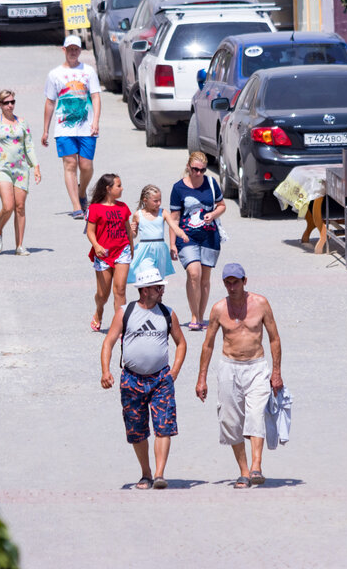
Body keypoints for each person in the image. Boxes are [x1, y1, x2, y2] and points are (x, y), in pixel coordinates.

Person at [100, 260, 187, 490]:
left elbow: (181, 343)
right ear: (145, 290)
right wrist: (105, 371)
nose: (162, 290)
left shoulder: (168, 313)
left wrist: (174, 371)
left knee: (164, 426)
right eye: (158, 287)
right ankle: (146, 473)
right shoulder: (125, 312)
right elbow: (108, 342)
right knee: (136, 430)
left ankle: (159, 473)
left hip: (161, 380)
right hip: (131, 379)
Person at [195, 263, 283, 489]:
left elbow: (274, 338)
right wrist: (201, 378)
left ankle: (256, 466)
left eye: (235, 282)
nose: (231, 286)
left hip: (256, 366)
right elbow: (208, 345)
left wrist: (276, 372)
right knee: (230, 421)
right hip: (229, 366)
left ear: (245, 281)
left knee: (255, 415)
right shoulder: (218, 309)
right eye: (227, 282)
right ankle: (243, 471)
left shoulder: (261, 304)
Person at [42, 34, 101, 219]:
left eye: (76, 49)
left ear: (80, 50)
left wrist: (96, 121)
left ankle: (82, 192)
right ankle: (76, 205)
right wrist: (45, 129)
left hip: (86, 127)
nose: (73, 52)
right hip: (64, 127)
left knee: (86, 166)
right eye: (70, 49)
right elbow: (50, 102)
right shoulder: (55, 74)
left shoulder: (88, 71)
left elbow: (96, 97)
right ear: (64, 50)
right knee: (70, 164)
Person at [166, 151, 225, 331]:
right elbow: (174, 218)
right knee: (194, 273)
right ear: (188, 167)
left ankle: (200, 315)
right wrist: (173, 243)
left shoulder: (211, 183)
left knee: (205, 279)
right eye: (195, 169)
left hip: (209, 235)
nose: (198, 173)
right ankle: (194, 315)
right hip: (187, 236)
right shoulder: (178, 188)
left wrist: (213, 214)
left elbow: (222, 206)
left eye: (202, 170)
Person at [0, 89, 41, 256]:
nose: (10, 105)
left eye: (12, 102)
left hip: (21, 168)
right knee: (8, 206)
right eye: (6, 103)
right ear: (0, 105)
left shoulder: (22, 122)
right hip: (1, 167)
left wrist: (36, 166)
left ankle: (20, 245)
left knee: (20, 207)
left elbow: (29, 146)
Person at [86, 173, 133, 332]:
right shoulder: (95, 208)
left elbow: (128, 231)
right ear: (108, 189)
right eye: (118, 186)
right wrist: (96, 245)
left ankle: (120, 325)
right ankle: (99, 311)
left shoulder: (123, 207)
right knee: (102, 295)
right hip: (103, 254)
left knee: (120, 289)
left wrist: (131, 248)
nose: (122, 188)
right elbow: (90, 231)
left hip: (122, 250)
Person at [129, 184, 183, 285]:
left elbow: (174, 226)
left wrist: (182, 235)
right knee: (148, 279)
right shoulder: (138, 215)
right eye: (155, 201)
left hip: (160, 250)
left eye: (160, 200)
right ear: (145, 200)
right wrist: (131, 231)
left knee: (158, 282)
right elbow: (134, 235)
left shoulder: (163, 212)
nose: (158, 203)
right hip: (145, 250)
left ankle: (157, 300)